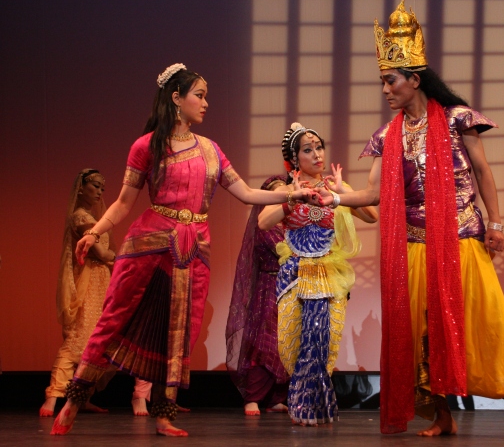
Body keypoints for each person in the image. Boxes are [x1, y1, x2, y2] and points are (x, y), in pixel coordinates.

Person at [316, 0, 504, 439]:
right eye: (382, 82)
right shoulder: (387, 136)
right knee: (421, 336)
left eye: (391, 80)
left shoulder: (457, 119)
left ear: (414, 79)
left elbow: (482, 172)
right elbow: (373, 195)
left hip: (462, 240)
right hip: (415, 246)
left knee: (488, 325)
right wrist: (335, 197)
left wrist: (496, 224)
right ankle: (442, 415)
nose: (385, 90)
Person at [50, 63, 316, 437]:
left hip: (194, 248)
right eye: (199, 96)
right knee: (115, 316)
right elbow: (124, 202)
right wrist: (94, 232)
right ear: (177, 98)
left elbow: (245, 193)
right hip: (151, 242)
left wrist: (293, 194)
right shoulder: (147, 146)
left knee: (181, 330)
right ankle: (73, 401)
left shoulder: (211, 150)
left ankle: (163, 414)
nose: (206, 103)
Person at [258, 123, 378, 426]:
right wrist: (294, 198)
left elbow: (371, 215)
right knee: (293, 342)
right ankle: (302, 401)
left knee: (324, 340)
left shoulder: (335, 186)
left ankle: (315, 406)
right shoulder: (286, 190)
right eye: (308, 150)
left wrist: (341, 193)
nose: (317, 154)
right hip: (296, 274)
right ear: (294, 159)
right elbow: (263, 222)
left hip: (328, 273)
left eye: (319, 147)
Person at [40, 169, 116, 418]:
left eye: (102, 188)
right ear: (81, 188)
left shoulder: (94, 219)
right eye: (95, 186)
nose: (100, 192)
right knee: (78, 339)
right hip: (88, 283)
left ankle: (83, 397)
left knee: (104, 343)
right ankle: (53, 397)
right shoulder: (80, 217)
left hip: (101, 282)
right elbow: (101, 254)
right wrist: (123, 257)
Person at [226, 174, 290, 416]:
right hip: (269, 287)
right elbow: (284, 251)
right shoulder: (265, 225)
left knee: (287, 342)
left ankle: (276, 397)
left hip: (290, 288)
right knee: (265, 343)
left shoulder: (290, 223)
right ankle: (253, 397)